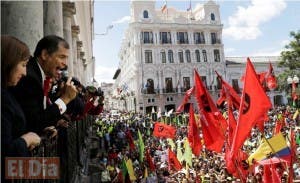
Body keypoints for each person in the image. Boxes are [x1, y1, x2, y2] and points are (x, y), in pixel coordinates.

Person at [12, 35, 77, 134]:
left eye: (66, 58)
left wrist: (49, 125)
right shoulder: (30, 78)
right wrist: (65, 99)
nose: (65, 63)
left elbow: (37, 117)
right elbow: (34, 124)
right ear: (45, 54)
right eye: (62, 57)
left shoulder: (38, 75)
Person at [1, 35, 41, 157]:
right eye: (23, 65)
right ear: (9, 62)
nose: (24, 73)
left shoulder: (7, 93)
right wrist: (26, 140)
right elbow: (5, 152)